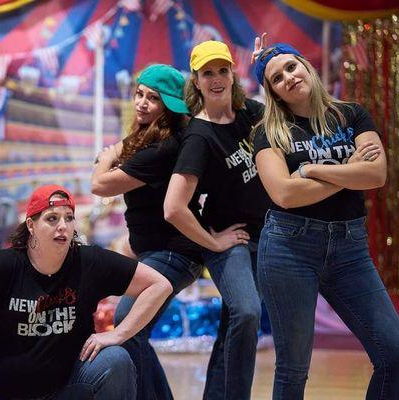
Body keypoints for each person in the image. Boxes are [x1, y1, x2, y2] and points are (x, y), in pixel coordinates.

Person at [0, 184, 173, 400]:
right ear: (31, 225)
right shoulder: (3, 265)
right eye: (52, 218)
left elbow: (159, 285)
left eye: (69, 217)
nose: (62, 226)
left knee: (116, 359)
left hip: (66, 387)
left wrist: (119, 334)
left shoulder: (91, 261)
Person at [252, 42, 399, 399]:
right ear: (272, 92)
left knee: (394, 352)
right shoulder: (267, 132)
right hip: (289, 248)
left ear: (306, 65)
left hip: (349, 249)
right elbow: (285, 194)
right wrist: (350, 168)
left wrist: (311, 169)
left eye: (291, 67)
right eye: (276, 78)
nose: (288, 78)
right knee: (293, 369)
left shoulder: (351, 114)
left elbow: (377, 174)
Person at [163, 40, 271, 400]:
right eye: (207, 73)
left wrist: (266, 66)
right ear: (196, 81)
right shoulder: (199, 136)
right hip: (231, 240)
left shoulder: (249, 114)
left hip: (263, 235)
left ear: (232, 73)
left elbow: (287, 112)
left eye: (222, 70)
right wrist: (214, 243)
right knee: (247, 312)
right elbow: (173, 207)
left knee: (233, 324)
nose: (216, 79)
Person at [91, 63, 203, 400]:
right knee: (131, 329)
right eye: (139, 94)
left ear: (168, 107)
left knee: (128, 325)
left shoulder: (162, 148)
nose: (141, 102)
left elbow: (99, 184)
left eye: (152, 98)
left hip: (174, 253)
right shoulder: (146, 138)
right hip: (156, 252)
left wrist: (107, 159)